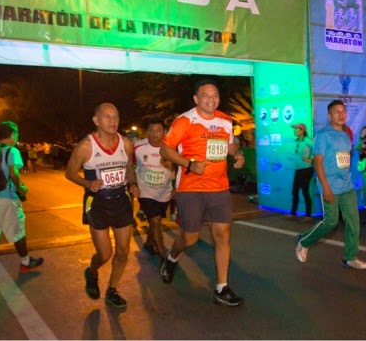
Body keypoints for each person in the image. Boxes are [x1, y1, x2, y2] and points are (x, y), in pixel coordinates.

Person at [159, 79, 245, 307]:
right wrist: (188, 164)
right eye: (206, 95)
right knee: (190, 238)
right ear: (196, 99)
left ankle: (221, 288)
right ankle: (172, 256)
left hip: (219, 187)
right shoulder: (185, 121)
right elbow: (165, 149)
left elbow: (230, 143)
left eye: (215, 95)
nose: (211, 99)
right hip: (191, 188)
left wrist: (236, 154)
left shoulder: (226, 120)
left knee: (223, 235)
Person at [65, 103, 140, 309]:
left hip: (121, 201)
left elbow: (128, 170)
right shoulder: (86, 146)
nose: (112, 121)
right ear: (96, 120)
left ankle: (112, 290)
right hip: (96, 203)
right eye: (107, 117)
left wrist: (132, 184)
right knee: (105, 254)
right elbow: (69, 173)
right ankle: (92, 271)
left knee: (124, 251)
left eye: (115, 117)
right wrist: (87, 183)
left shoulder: (126, 144)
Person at [295, 100, 366, 270]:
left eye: (343, 111)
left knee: (353, 223)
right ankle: (303, 241)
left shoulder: (345, 135)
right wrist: (326, 187)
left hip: (347, 186)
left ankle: (350, 257)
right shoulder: (323, 135)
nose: (341, 114)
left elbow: (345, 160)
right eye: (336, 112)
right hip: (330, 186)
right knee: (331, 222)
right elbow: (318, 163)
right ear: (329, 116)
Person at [0, 121, 43, 287]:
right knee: (17, 232)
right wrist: (21, 188)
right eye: (16, 134)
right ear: (12, 134)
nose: (17, 137)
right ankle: (26, 262)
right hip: (5, 198)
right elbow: (13, 174)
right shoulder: (11, 151)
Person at [134, 117, 174, 262]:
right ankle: (163, 253)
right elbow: (128, 167)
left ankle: (150, 243)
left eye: (158, 131)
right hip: (145, 191)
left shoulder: (172, 146)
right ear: (147, 132)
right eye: (151, 131)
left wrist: (176, 187)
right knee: (155, 220)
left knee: (156, 220)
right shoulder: (138, 147)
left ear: (164, 132)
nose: (155, 134)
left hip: (165, 191)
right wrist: (132, 184)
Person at [290, 123, 314, 220]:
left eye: (296, 129)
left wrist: (311, 159)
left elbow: (318, 150)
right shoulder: (297, 141)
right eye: (295, 129)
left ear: (302, 130)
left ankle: (308, 215)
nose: (295, 130)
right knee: (295, 191)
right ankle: (293, 213)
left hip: (306, 169)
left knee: (304, 191)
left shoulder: (308, 140)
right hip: (299, 169)